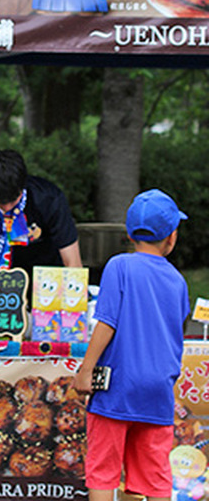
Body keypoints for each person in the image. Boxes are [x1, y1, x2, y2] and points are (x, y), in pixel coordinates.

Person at [73, 188, 190, 501]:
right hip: (157, 392)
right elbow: (175, 332)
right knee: (155, 479)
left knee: (103, 471)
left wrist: (86, 370)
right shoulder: (178, 281)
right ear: (171, 237)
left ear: (128, 232)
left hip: (117, 388)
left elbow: (107, 323)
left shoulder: (119, 267)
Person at [0, 149, 82, 286]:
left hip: (46, 283)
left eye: (13, 201)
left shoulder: (49, 199)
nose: (7, 208)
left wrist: (75, 300)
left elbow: (72, 263)